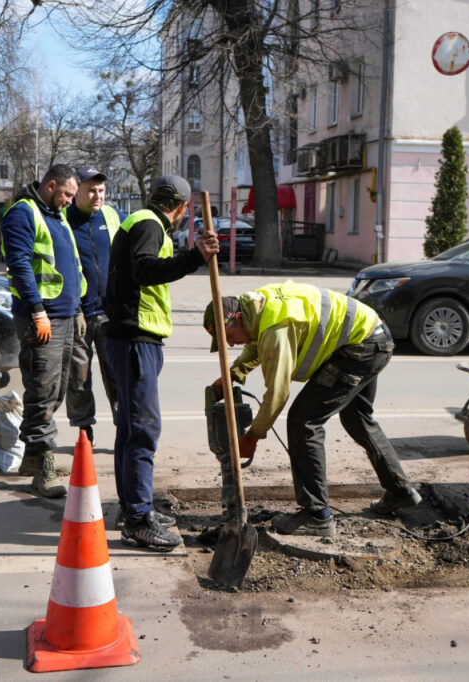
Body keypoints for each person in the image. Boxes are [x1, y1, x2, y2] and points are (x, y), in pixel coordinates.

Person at [204, 281, 421, 537]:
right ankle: (400, 491)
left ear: (238, 318)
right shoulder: (258, 306)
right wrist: (235, 372)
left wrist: (253, 436)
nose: (229, 345)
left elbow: (277, 393)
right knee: (357, 418)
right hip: (370, 334)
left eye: (228, 337)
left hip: (359, 347)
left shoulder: (277, 328)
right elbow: (254, 340)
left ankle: (316, 515)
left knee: (303, 421)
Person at [105, 174, 219, 551]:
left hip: (134, 338)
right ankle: (139, 519)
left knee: (130, 428)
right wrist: (193, 257)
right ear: (183, 207)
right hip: (135, 338)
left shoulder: (141, 222)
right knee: (142, 430)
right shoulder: (150, 225)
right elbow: (144, 270)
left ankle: (132, 508)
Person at [0, 164, 87, 499]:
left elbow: (70, 263)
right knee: (42, 389)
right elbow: (19, 264)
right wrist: (38, 312)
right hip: (43, 317)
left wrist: (77, 307)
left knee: (58, 387)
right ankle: (44, 467)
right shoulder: (24, 213)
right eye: (66, 194)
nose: (68, 201)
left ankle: (33, 459)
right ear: (51, 185)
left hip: (64, 315)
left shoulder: (55, 214)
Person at [63, 166, 124, 445]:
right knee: (78, 379)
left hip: (110, 314)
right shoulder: (62, 220)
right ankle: (84, 432)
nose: (98, 195)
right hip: (78, 316)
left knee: (117, 377)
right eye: (91, 190)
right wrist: (73, 309)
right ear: (77, 192)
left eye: (101, 190)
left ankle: (124, 428)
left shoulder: (112, 217)